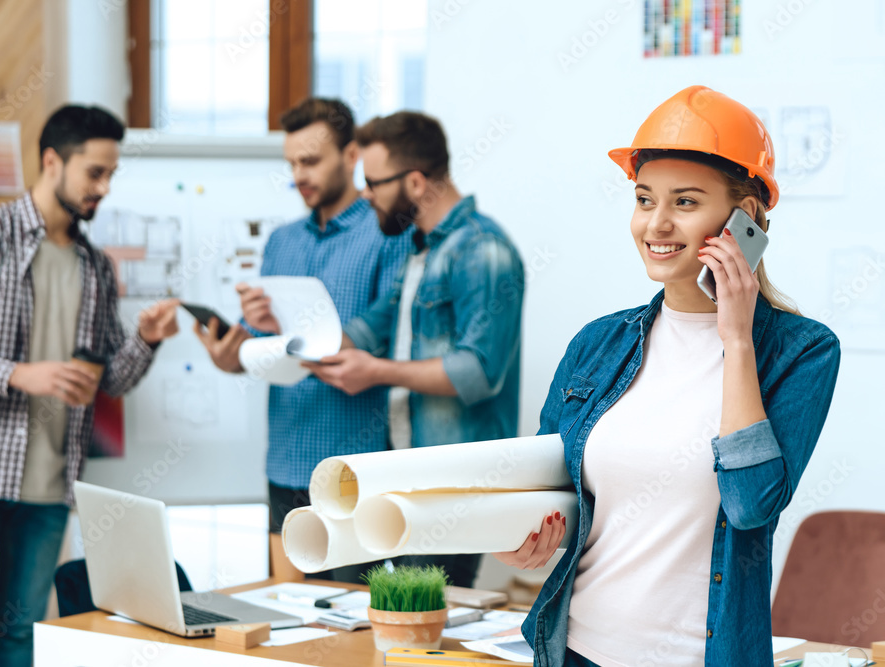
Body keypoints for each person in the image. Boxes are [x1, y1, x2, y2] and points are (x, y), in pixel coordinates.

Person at [494, 86, 841, 667]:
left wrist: (734, 338)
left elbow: (752, 504)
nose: (654, 224)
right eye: (643, 198)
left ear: (745, 220)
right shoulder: (597, 344)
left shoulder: (799, 352)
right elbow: (547, 487)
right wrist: (521, 537)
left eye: (684, 202)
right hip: (574, 649)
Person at [0, 105, 179, 666]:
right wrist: (15, 373)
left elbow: (114, 380)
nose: (103, 187)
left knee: (20, 636)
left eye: (110, 174)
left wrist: (147, 340)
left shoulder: (97, 266)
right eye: (94, 172)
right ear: (53, 162)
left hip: (51, 483)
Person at [193, 98, 412, 582]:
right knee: (286, 629)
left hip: (354, 469)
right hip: (285, 462)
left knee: (351, 636)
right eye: (292, 163)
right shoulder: (280, 242)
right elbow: (257, 346)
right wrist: (233, 349)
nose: (299, 175)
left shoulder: (390, 234)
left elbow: (380, 328)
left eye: (310, 161)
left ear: (351, 155)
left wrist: (301, 340)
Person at [304, 111, 525, 588]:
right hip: (410, 478)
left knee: (426, 639)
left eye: (374, 183)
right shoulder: (420, 248)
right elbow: (375, 325)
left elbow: (478, 372)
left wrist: (377, 372)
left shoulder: (483, 250)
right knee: (398, 626)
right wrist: (299, 342)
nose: (365, 195)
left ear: (418, 182)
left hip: (455, 487)